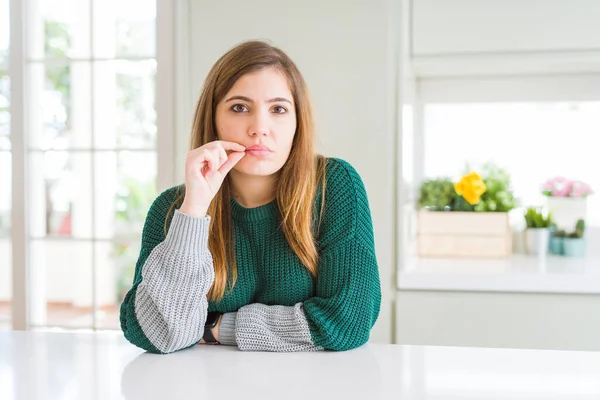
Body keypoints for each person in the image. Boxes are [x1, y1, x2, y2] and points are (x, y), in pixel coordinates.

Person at [119, 40, 382, 354]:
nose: (259, 128)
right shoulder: (173, 208)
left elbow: (348, 322)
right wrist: (194, 212)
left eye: (278, 109)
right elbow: (155, 333)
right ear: (213, 118)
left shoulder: (335, 186)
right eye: (239, 107)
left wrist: (216, 328)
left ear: (298, 123)